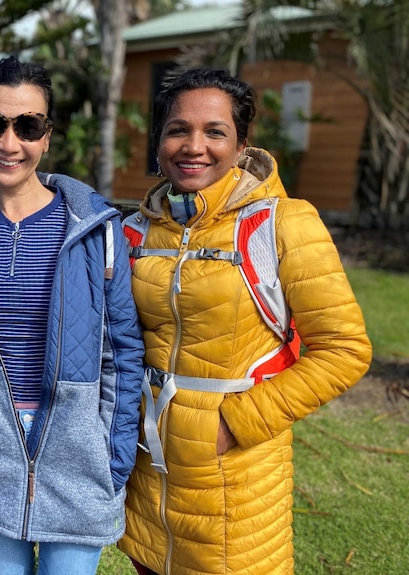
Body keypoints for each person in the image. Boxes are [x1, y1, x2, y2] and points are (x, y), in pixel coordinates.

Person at [116, 67, 373, 575]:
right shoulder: (134, 230)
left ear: (241, 145)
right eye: (177, 130)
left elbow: (345, 350)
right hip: (149, 471)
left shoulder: (283, 223)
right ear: (159, 141)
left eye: (214, 132)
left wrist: (232, 424)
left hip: (235, 477)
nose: (194, 146)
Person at [0, 55, 145, 575]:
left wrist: (113, 458)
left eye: (27, 126)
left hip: (81, 465)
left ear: (47, 136)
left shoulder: (96, 230)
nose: (9, 143)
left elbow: (123, 354)